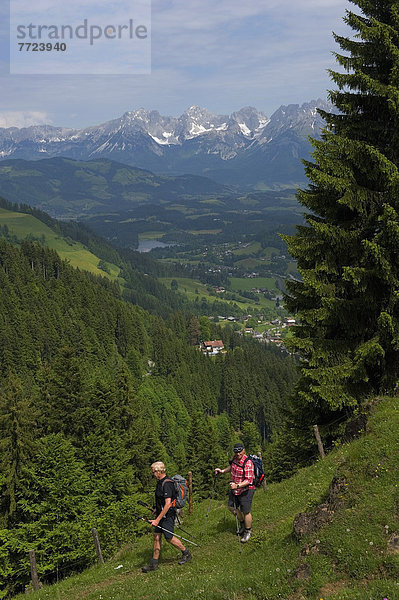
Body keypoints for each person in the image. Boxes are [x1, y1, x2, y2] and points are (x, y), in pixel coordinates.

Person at [141, 461, 192, 573]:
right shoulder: (159, 482)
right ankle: (154, 563)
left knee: (169, 537)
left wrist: (157, 519)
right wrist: (156, 510)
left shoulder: (167, 483)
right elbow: (161, 500)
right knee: (156, 536)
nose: (153, 474)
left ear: (160, 471)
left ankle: (186, 553)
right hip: (161, 514)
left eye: (154, 471)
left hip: (168, 515)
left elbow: (168, 504)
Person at [215, 443, 255, 543]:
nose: (238, 453)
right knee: (231, 507)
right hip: (235, 489)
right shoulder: (235, 459)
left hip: (246, 490)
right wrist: (223, 471)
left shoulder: (248, 462)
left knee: (246, 511)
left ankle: (247, 531)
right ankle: (242, 524)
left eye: (239, 451)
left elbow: (249, 480)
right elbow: (232, 467)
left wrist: (237, 485)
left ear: (244, 450)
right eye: (236, 451)